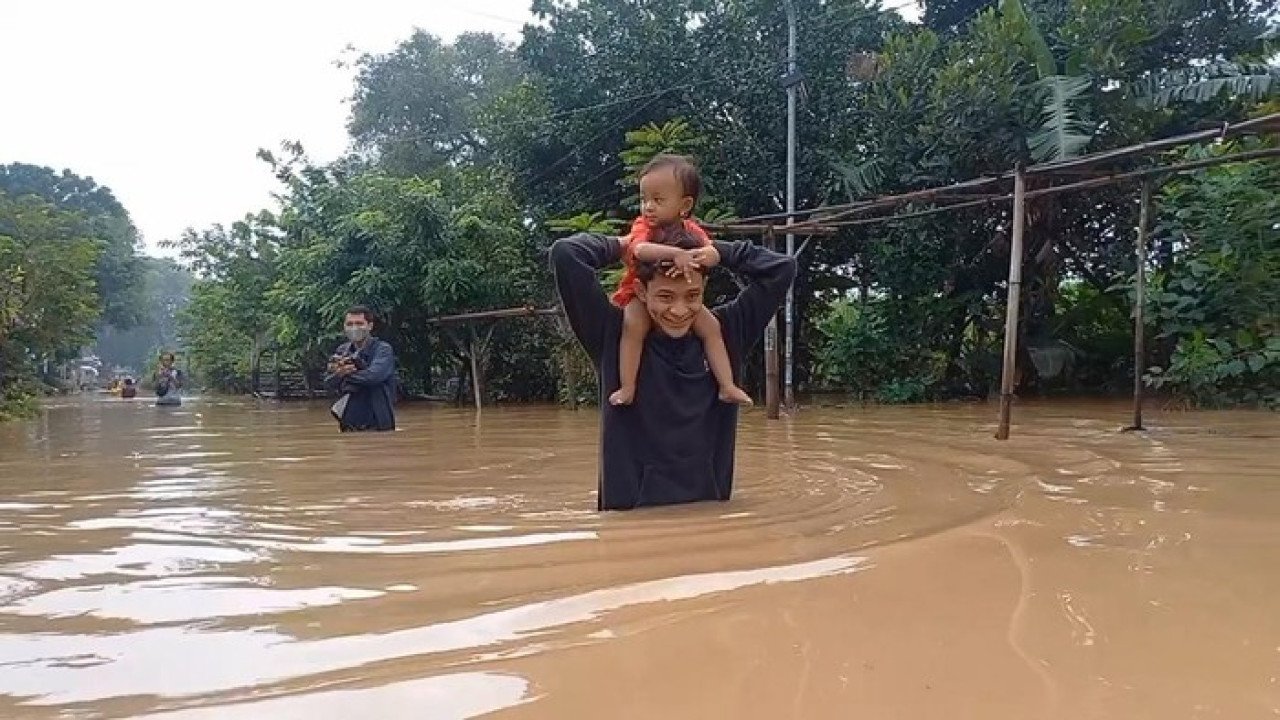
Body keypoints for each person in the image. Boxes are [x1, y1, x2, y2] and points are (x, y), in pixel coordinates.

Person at [550, 217, 796, 511]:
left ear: (704, 286)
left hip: (713, 530)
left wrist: (717, 251)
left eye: (692, 296)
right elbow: (566, 254)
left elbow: (782, 268)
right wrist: (630, 245)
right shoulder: (610, 336)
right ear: (641, 292)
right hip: (630, 534)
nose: (679, 310)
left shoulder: (728, 333)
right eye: (665, 297)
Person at [609, 154, 751, 407]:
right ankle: (628, 387)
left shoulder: (692, 230)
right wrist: (678, 255)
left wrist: (710, 254)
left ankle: (727, 385)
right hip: (638, 294)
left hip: (682, 291)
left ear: (684, 205)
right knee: (633, 329)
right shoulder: (643, 227)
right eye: (644, 199)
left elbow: (708, 250)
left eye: (658, 200)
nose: (648, 207)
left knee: (712, 329)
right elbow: (640, 251)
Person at [323, 305, 397, 432]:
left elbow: (374, 377)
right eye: (349, 324)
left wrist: (346, 375)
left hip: (378, 422)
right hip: (349, 424)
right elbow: (328, 382)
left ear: (370, 326)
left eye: (359, 323)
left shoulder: (382, 349)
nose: (354, 328)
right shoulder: (342, 351)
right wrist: (339, 374)